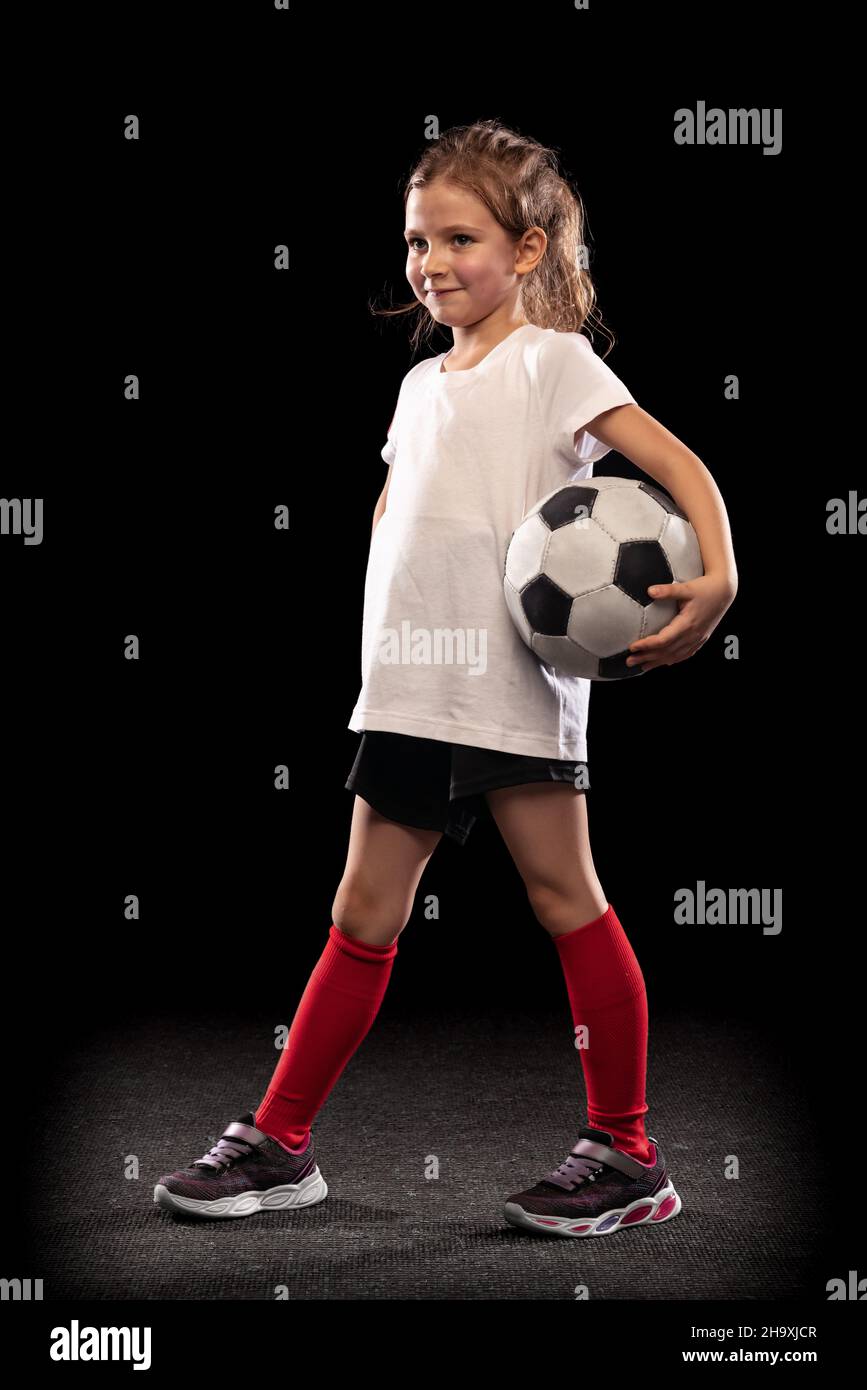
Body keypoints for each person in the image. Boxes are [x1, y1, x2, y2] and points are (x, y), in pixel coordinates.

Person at [155, 120, 738, 1237]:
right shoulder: (421, 382)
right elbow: (400, 518)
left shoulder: (552, 360)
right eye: (418, 240)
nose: (430, 261)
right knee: (361, 913)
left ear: (525, 251)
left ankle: (628, 1153)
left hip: (513, 688)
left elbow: (681, 466)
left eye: (458, 237)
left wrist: (717, 574)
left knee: (568, 900)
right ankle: (281, 1143)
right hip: (413, 690)